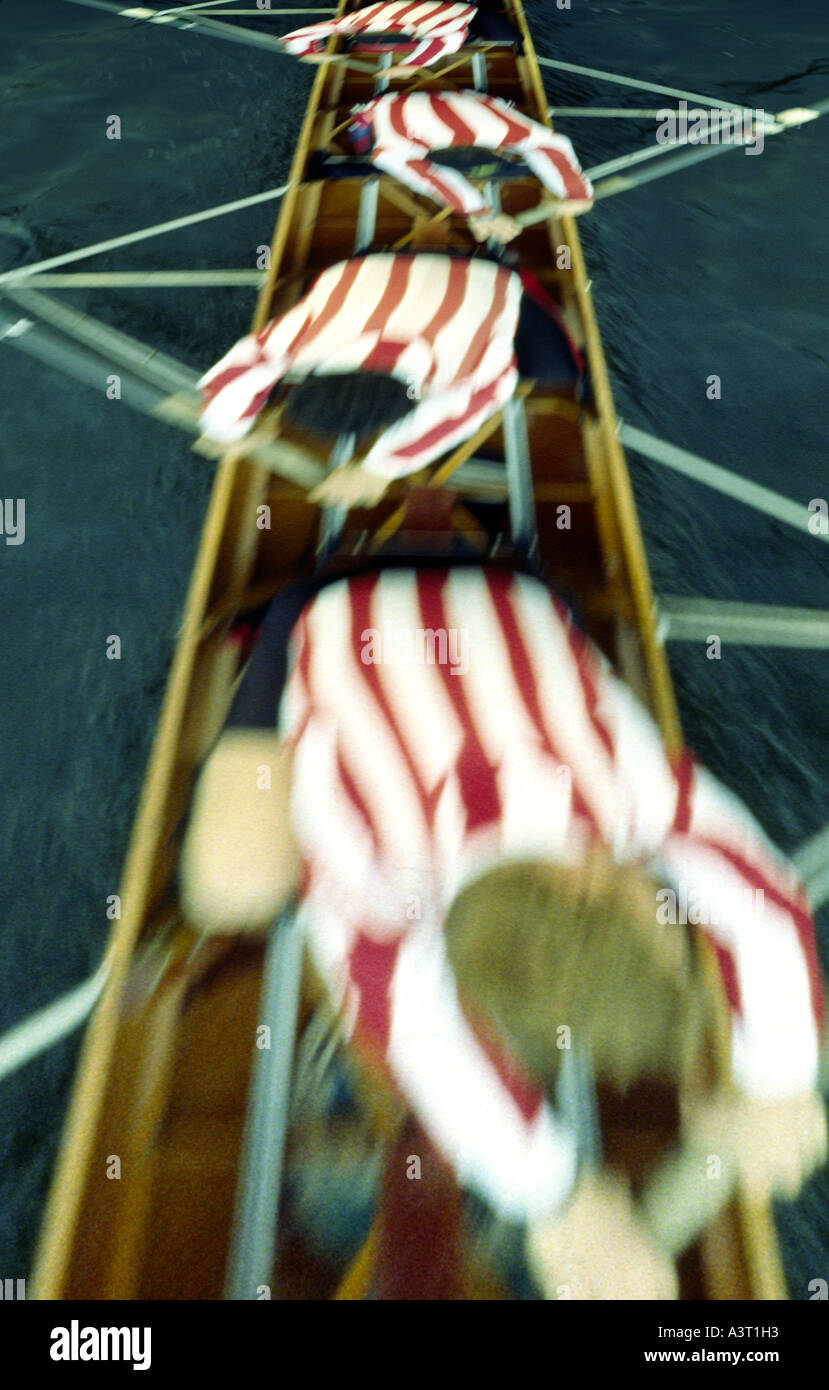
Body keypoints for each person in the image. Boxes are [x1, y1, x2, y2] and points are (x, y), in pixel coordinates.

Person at [180, 563, 826, 1299]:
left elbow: (763, 899)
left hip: (519, 595)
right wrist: (558, 1204)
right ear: (579, 876)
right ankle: (263, 636)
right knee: (225, 890)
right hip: (323, 606)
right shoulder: (371, 849)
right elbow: (411, 1034)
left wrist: (778, 1084)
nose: (667, 898)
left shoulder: (620, 795)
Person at [197, 252, 584, 508]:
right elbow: (237, 369)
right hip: (366, 268)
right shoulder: (301, 346)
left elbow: (466, 409)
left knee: (561, 371)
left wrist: (377, 469)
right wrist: (228, 431)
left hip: (487, 274)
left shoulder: (464, 372)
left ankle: (561, 303)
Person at [345, 89, 594, 243]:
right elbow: (434, 180)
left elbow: (552, 144)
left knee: (525, 157)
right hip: (462, 107)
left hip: (466, 108)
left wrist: (576, 193)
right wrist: (576, 193)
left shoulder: (491, 126)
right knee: (524, 161)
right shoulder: (387, 148)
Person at [280, 1, 522, 77]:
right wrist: (311, 52)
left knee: (512, 36)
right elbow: (302, 35)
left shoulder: (450, 34)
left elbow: (416, 62)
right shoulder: (359, 20)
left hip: (459, 16)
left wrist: (396, 71)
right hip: (422, 19)